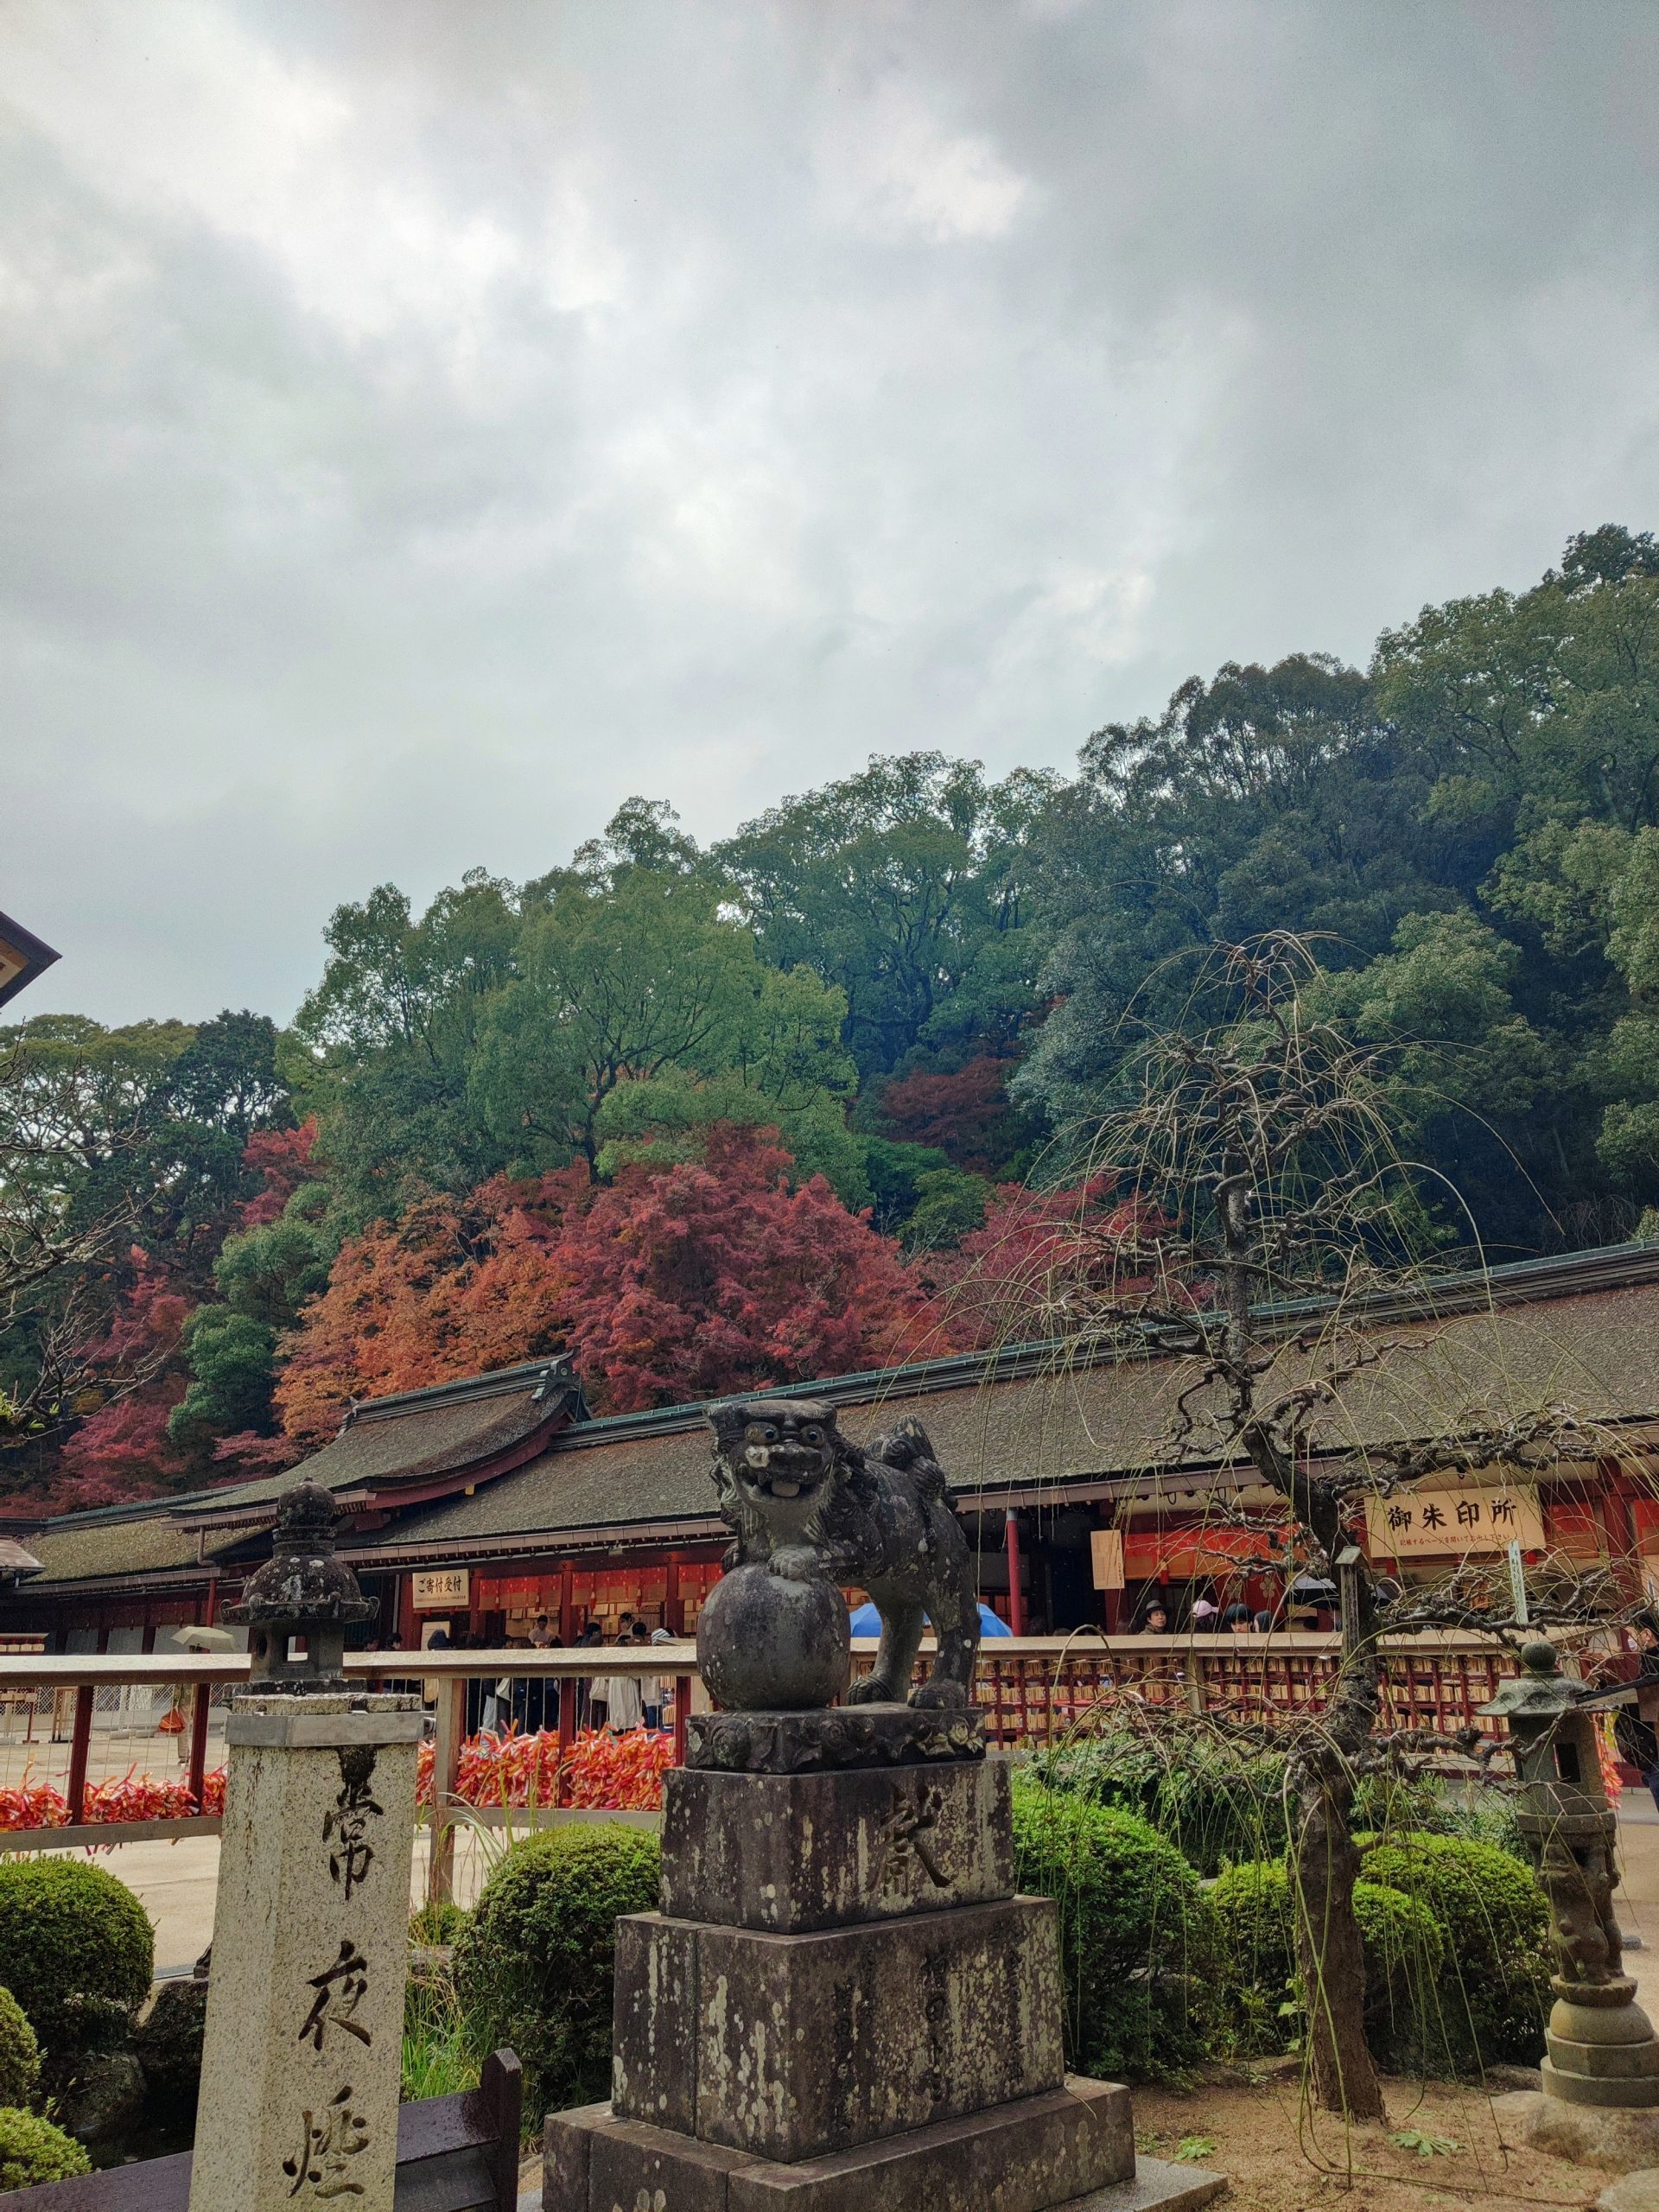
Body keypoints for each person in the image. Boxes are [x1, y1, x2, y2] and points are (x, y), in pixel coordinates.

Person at [597, 1631, 644, 1732]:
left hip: (616, 1688)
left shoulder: (612, 1660)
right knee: (629, 1713)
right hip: (628, 1688)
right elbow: (637, 1676)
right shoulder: (630, 1659)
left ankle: (618, 1732)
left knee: (618, 1712)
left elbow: (606, 1677)